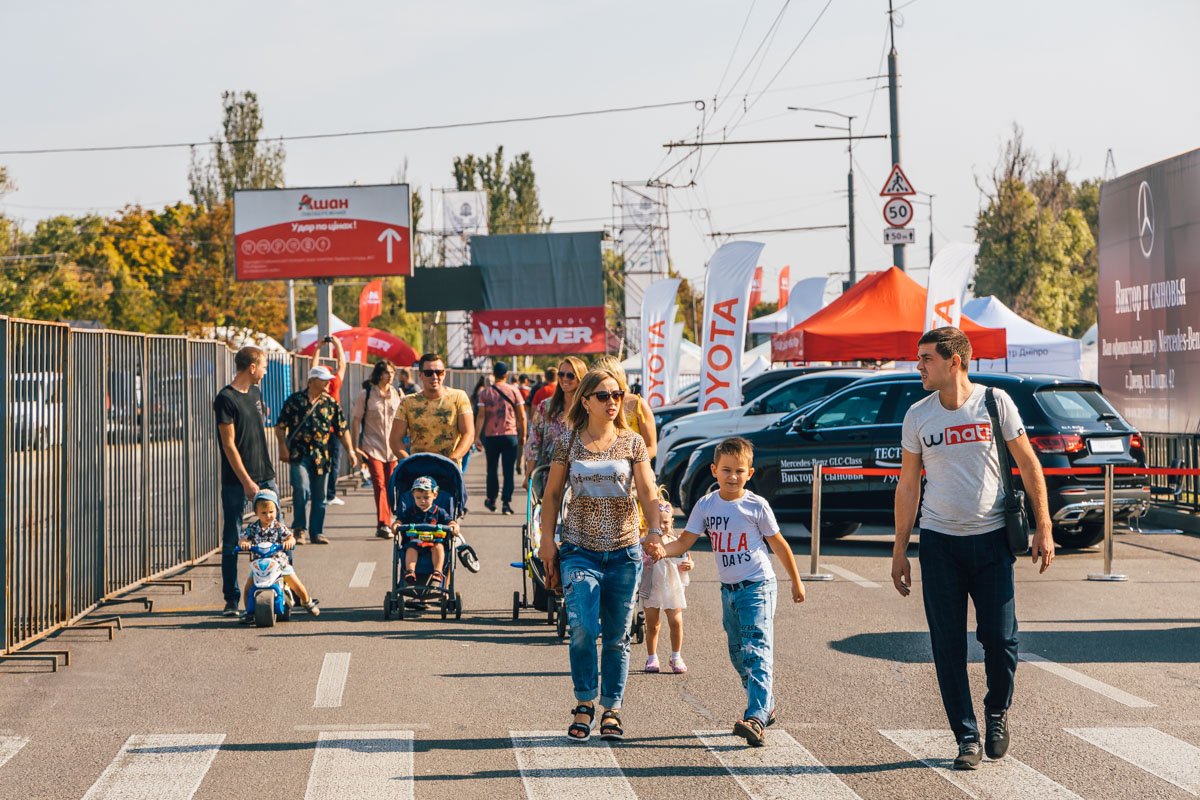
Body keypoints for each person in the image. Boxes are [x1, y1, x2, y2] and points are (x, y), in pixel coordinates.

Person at [892, 326, 1055, 770]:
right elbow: (908, 485)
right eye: (919, 358)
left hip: (991, 541)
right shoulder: (917, 416)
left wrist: (1044, 525)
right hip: (939, 544)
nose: (919, 366)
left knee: (1000, 640)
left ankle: (997, 710)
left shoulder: (994, 402)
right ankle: (966, 737)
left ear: (954, 362)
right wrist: (900, 548)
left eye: (926, 358)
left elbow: (1028, 464)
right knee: (947, 647)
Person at [538, 367, 666, 743]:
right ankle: (584, 702)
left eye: (617, 394)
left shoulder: (632, 442)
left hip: (624, 552)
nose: (613, 402)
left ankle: (611, 708)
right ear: (586, 402)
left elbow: (647, 491)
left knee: (617, 636)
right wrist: (546, 540)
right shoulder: (568, 442)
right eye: (604, 395)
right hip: (579, 549)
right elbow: (551, 495)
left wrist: (654, 531)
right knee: (582, 629)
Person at [658, 436, 805, 747]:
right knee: (738, 654)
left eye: (739, 471)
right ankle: (766, 703)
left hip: (758, 587)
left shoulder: (756, 506)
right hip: (729, 591)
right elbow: (683, 542)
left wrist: (796, 580)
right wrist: (661, 550)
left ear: (749, 474)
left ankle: (756, 718)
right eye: (726, 470)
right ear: (714, 470)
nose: (733, 476)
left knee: (756, 651)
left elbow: (779, 544)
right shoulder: (706, 505)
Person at [213, 346, 279, 617]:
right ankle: (232, 599)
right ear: (252, 367)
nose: (264, 372)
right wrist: (246, 482)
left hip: (265, 475)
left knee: (278, 533)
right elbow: (229, 445)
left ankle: (280, 589)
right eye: (263, 366)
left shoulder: (255, 392)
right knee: (232, 538)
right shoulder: (225, 399)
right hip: (237, 482)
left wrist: (262, 479)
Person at [276, 365, 358, 545]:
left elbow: (342, 429)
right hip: (298, 454)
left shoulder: (330, 403)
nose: (328, 383)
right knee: (301, 488)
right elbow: (280, 425)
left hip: (322, 456)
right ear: (312, 381)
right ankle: (299, 529)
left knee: (320, 496)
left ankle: (317, 532)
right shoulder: (295, 400)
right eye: (324, 380)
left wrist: (351, 451)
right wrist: (282, 446)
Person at [238, 489, 320, 621]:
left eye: (271, 512)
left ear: (276, 510)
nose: (268, 515)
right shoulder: (253, 528)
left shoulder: (278, 526)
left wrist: (289, 542)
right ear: (256, 512)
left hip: (279, 564)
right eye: (263, 513)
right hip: (260, 565)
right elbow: (243, 538)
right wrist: (244, 543)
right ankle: (249, 612)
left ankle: (307, 601)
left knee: (296, 584)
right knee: (248, 588)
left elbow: (290, 537)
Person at [351, 359, 405, 539]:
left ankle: (389, 519)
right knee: (379, 483)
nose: (390, 376)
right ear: (379, 374)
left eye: (392, 372)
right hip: (372, 445)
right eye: (386, 372)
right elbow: (356, 420)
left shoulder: (397, 394)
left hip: (393, 447)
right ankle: (383, 523)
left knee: (391, 485)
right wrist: (355, 446)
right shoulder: (366, 394)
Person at [640, 488, 692, 674]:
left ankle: (676, 656)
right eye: (658, 522)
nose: (662, 526)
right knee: (652, 624)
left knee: (676, 621)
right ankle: (652, 657)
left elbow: (687, 558)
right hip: (652, 586)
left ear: (672, 522)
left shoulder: (677, 541)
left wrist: (690, 565)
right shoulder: (645, 542)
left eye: (666, 522)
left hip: (672, 586)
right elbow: (638, 561)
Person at [390, 353, 475, 466]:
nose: (434, 377)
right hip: (419, 470)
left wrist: (452, 460)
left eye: (439, 372)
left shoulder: (459, 397)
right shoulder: (408, 402)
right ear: (420, 375)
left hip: (449, 469)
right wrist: (410, 463)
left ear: (444, 374)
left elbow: (469, 433)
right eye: (428, 373)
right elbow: (395, 440)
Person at [475, 361, 527, 515]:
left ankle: (491, 499)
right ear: (506, 374)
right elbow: (522, 416)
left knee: (491, 469)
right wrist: (523, 434)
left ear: (494, 374)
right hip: (510, 435)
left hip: (491, 436)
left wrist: (477, 436)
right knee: (508, 471)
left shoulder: (485, 393)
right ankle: (506, 502)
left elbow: (481, 416)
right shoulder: (514, 391)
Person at [523, 357, 585, 485]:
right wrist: (529, 474)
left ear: (581, 378)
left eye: (570, 375)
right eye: (561, 374)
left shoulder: (589, 408)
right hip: (548, 477)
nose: (564, 379)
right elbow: (534, 442)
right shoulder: (546, 407)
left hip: (580, 480)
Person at [591, 355, 658, 460]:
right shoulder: (592, 402)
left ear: (616, 376)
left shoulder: (637, 404)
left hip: (634, 467)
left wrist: (628, 463)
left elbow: (651, 447)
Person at [397, 476, 459, 588]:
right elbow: (400, 520)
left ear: (435, 495)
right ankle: (410, 571)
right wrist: (396, 524)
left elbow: (449, 521)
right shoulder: (410, 511)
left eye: (426, 497)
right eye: (418, 497)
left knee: (439, 547)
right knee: (411, 549)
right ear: (413, 496)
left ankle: (437, 572)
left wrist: (453, 525)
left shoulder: (439, 511)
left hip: (434, 541)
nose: (422, 501)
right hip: (415, 541)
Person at [321, 336, 349, 507]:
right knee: (334, 462)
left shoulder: (319, 387)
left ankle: (322, 494)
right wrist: (337, 344)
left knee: (322, 463)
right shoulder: (335, 383)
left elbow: (313, 366)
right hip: (332, 431)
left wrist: (318, 348)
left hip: (323, 431)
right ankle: (329, 494)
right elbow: (342, 364)